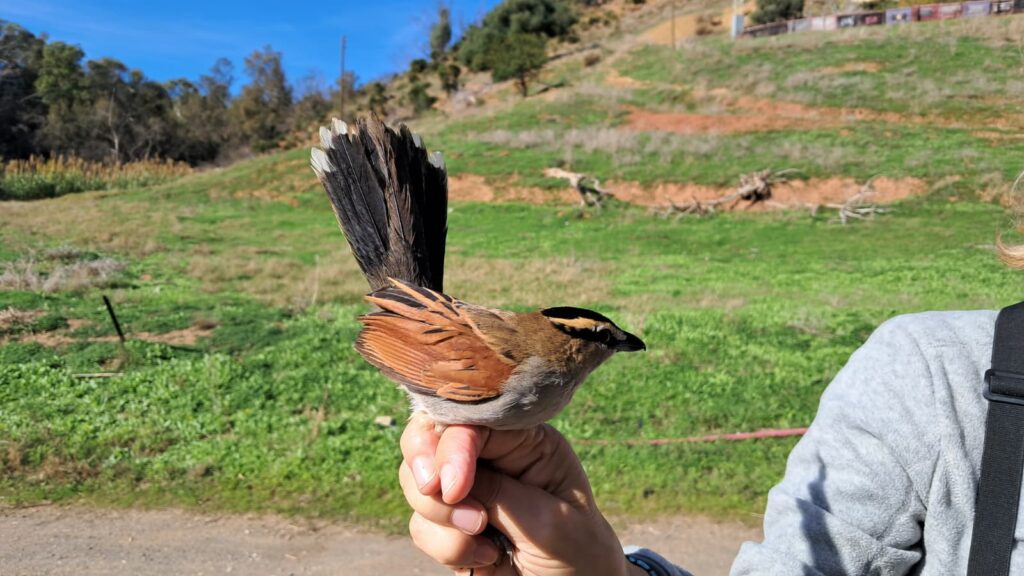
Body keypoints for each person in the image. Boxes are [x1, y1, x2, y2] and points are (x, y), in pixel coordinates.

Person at [397, 236, 1024, 575]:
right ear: (570, 345)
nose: (614, 348)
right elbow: (402, 350)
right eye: (602, 341)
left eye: (613, 341)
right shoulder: (932, 375)